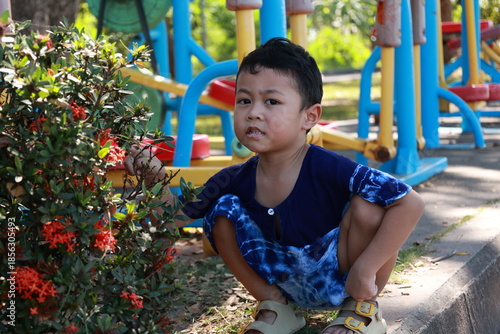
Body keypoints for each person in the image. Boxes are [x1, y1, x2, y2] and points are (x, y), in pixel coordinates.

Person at [126, 37, 425, 334]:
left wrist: (366, 268)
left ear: (309, 117)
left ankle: (361, 310)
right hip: (283, 284)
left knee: (369, 206)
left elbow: (410, 202)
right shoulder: (235, 179)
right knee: (221, 211)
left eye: (272, 101)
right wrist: (154, 179)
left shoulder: (329, 167)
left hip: (347, 279)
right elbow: (173, 220)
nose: (254, 112)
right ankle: (275, 306)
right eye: (244, 100)